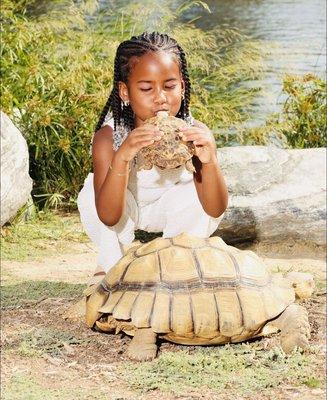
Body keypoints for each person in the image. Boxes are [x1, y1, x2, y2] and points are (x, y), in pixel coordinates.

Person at [77, 32, 229, 286]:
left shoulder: (193, 132)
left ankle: (176, 263)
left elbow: (214, 209)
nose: (161, 97)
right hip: (127, 206)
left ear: (182, 85)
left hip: (171, 209)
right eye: (147, 88)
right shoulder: (109, 137)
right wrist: (123, 155)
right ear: (125, 92)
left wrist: (210, 160)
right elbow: (108, 215)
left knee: (193, 195)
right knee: (89, 196)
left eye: (170, 86)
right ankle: (111, 266)